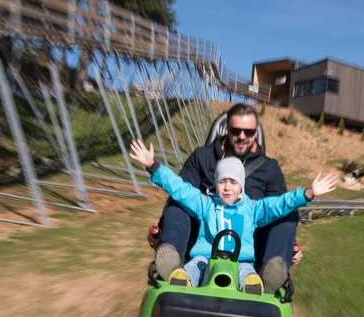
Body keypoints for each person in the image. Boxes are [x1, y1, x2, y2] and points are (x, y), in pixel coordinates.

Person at [130, 139, 338, 294]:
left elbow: (279, 204)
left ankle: (258, 285)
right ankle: (182, 280)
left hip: (241, 261)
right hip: (206, 258)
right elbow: (179, 189)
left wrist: (308, 193)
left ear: (241, 186)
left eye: (233, 182)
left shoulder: (253, 209)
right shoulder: (206, 204)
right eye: (222, 182)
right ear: (215, 184)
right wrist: (153, 166)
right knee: (195, 266)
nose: (227, 188)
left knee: (247, 273)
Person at [151, 103, 302, 294]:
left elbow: (280, 205)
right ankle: (173, 263)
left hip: (249, 242)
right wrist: (161, 231)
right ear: (227, 130)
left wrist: (290, 247)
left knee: (287, 213)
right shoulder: (202, 157)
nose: (242, 137)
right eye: (236, 130)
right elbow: (180, 190)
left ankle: (271, 272)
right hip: (205, 236)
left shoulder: (269, 168)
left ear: (255, 133)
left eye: (248, 132)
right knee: (179, 201)